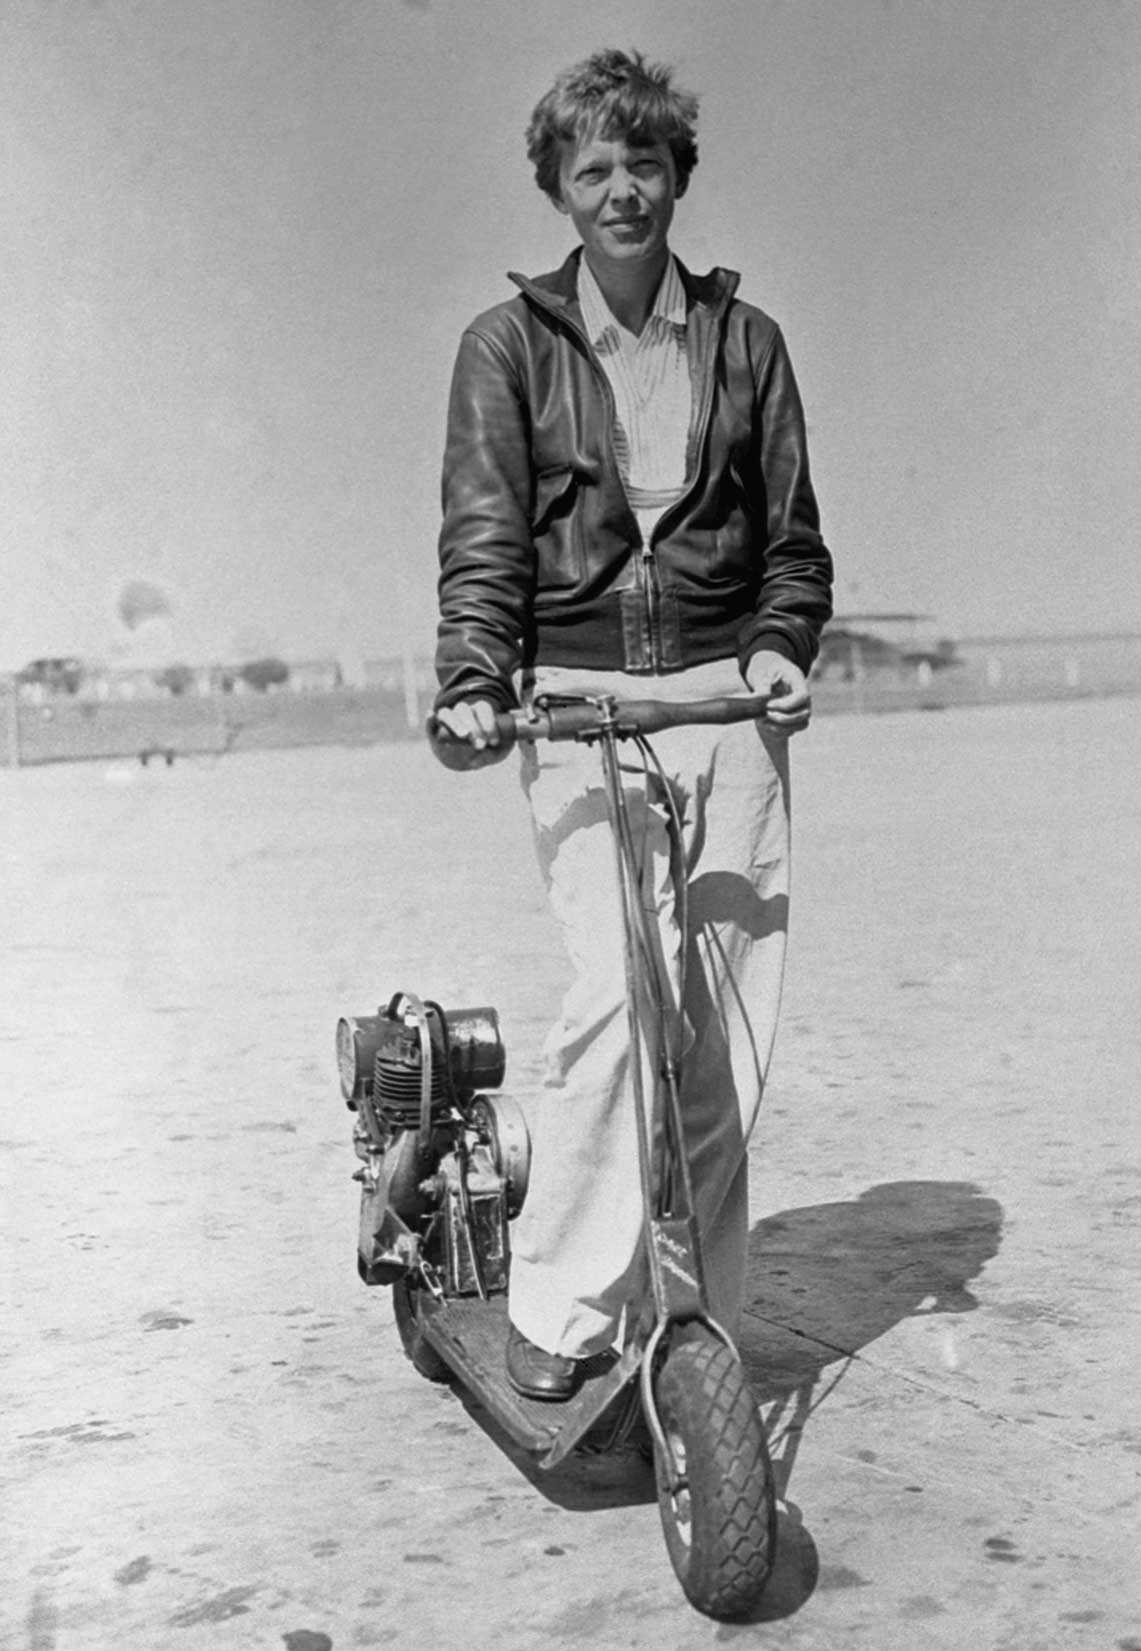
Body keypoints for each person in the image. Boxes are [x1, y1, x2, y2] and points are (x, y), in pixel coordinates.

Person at [430, 48, 832, 1401]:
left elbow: (794, 547)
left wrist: (781, 646)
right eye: (594, 167)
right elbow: (485, 543)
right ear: (559, 186)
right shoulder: (507, 349)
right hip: (580, 709)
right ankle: (558, 1303)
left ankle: (702, 1321)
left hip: (729, 712)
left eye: (644, 162)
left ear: (677, 178)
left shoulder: (746, 343)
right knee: (617, 996)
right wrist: (479, 674)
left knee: (723, 1042)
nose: (622, 189)